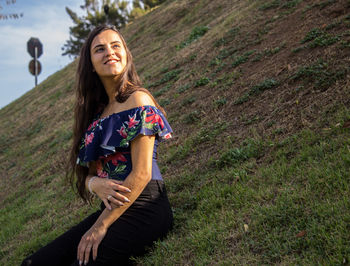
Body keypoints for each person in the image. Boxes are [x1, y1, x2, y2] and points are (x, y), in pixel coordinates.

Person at [21, 24, 173, 266]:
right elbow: (88, 176)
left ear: (126, 54)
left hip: (146, 208)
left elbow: (142, 173)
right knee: (33, 263)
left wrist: (100, 226)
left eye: (115, 46)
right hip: (112, 209)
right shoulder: (97, 116)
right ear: (91, 64)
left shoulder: (138, 99)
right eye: (100, 49)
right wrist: (96, 184)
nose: (109, 52)